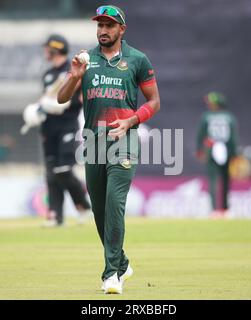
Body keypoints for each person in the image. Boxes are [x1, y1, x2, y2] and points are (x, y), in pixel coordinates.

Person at [58, 5, 161, 294]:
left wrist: (132, 120)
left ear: (121, 30)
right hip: (93, 142)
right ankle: (123, 262)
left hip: (124, 138)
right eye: (100, 26)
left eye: (109, 25)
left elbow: (154, 102)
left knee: (115, 204)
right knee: (100, 210)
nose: (103, 30)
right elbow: (61, 98)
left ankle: (111, 274)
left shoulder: (138, 60)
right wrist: (74, 76)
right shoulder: (85, 59)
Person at [36, 34, 91, 227]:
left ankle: (83, 205)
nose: (45, 51)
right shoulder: (48, 74)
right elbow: (45, 99)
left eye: (47, 48)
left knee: (63, 170)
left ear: (55, 49)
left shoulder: (73, 69)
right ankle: (55, 216)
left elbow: (81, 97)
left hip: (67, 125)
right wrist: (37, 110)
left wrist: (63, 104)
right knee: (51, 172)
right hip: (48, 127)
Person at [196, 92, 238, 217]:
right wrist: (235, 153)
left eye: (211, 102)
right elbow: (233, 138)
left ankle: (215, 209)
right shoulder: (229, 117)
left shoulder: (206, 117)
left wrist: (199, 150)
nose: (209, 104)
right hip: (226, 148)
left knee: (213, 179)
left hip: (211, 148)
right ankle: (225, 209)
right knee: (225, 180)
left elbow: (201, 135)